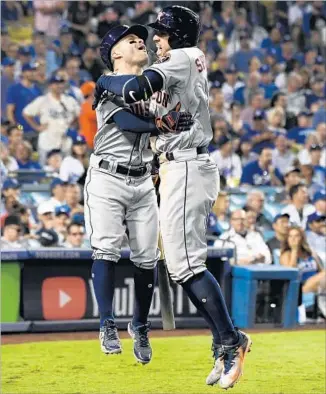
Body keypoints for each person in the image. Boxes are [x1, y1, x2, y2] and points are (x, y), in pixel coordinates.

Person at [94, 7, 251, 389]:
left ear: (176, 35)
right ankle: (222, 342)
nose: (156, 40)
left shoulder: (181, 57)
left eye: (161, 34)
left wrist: (102, 82)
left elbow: (131, 90)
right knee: (184, 267)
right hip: (176, 167)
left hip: (185, 167)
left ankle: (231, 341)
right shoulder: (184, 61)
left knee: (186, 267)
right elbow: (138, 109)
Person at [84, 24, 193, 365]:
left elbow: (175, 123)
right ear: (115, 54)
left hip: (144, 180)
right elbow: (129, 125)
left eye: (140, 39)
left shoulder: (155, 86)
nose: (139, 41)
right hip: (107, 177)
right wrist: (165, 123)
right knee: (106, 248)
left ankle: (140, 326)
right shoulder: (108, 84)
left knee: (147, 258)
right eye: (130, 40)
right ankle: (106, 324)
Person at [22, 74, 80, 164]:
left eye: (61, 83)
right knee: (45, 170)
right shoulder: (43, 100)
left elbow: (79, 114)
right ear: (50, 85)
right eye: (56, 83)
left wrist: (72, 125)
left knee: (66, 168)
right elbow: (26, 113)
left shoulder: (70, 100)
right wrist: (37, 127)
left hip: (65, 142)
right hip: (47, 141)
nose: (59, 86)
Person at [280, 226, 324, 305]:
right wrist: (294, 250)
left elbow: (320, 271)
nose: (293, 239)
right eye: (290, 236)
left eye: (296, 236)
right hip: (301, 287)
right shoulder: (286, 255)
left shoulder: (310, 254)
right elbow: (291, 274)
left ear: (302, 238)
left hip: (316, 284)